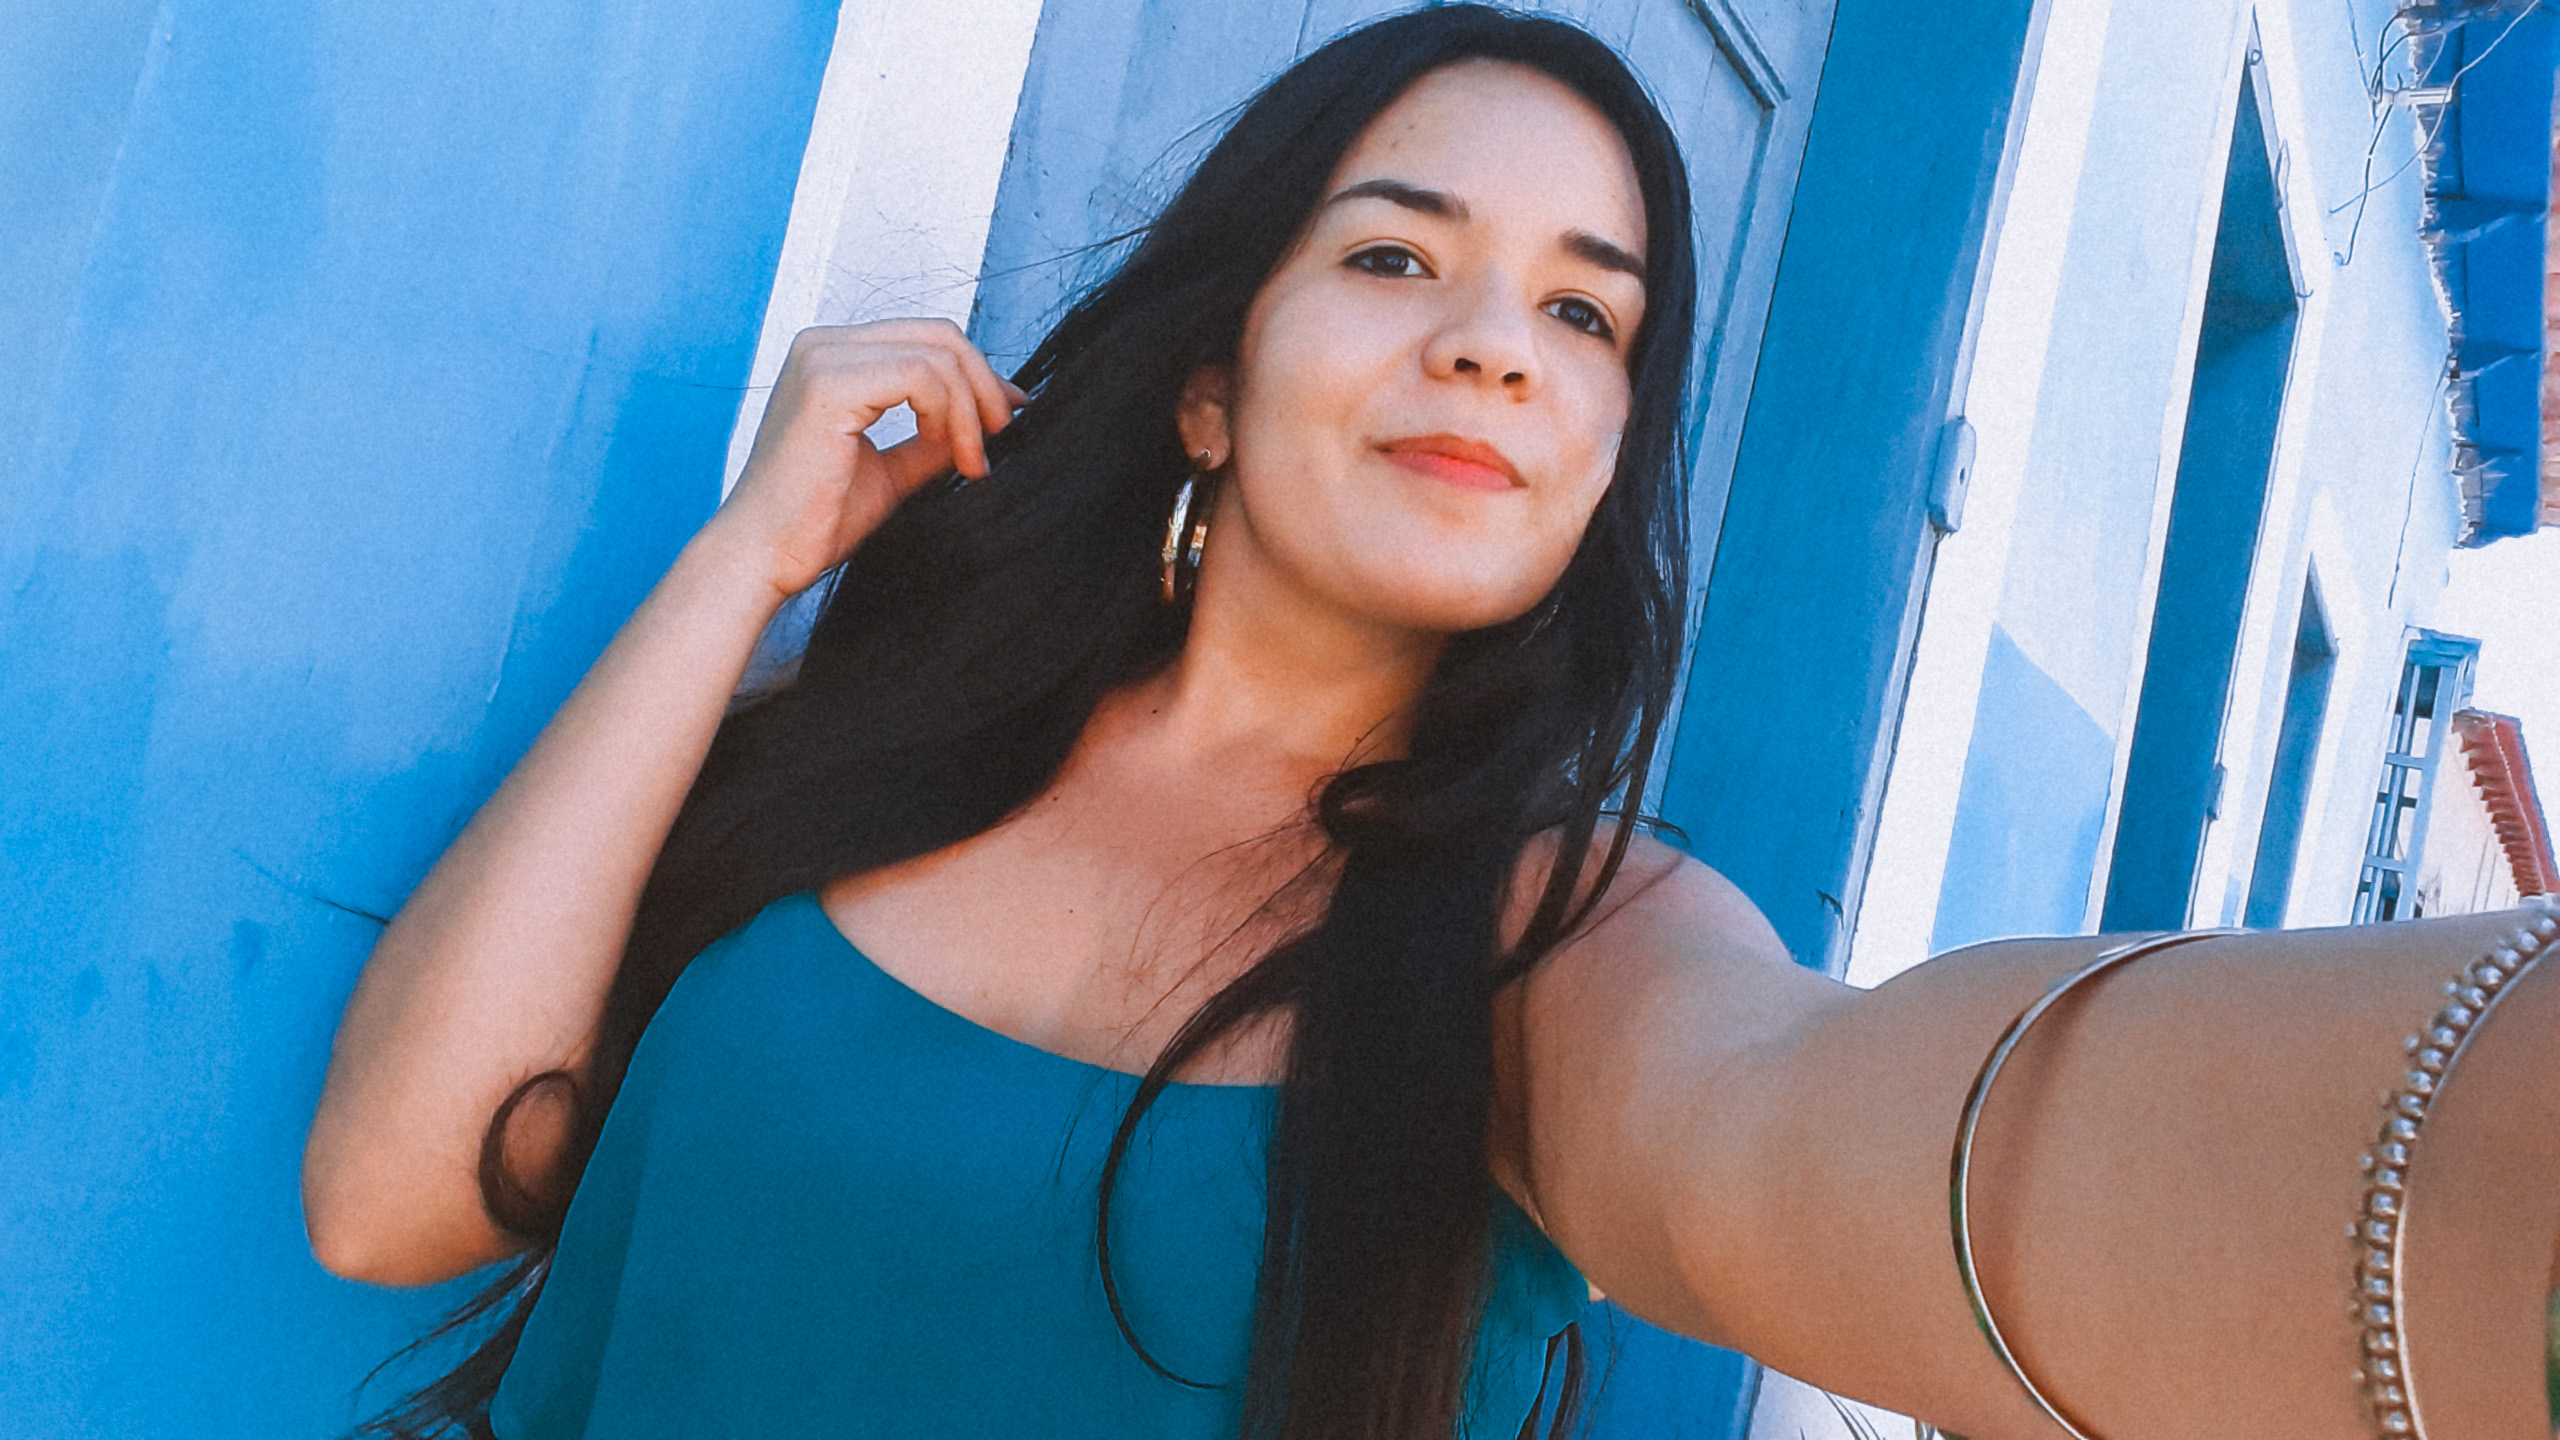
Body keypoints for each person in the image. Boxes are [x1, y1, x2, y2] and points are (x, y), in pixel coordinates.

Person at [300, 7, 2560, 1439]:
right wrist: (743, 565)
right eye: (1395, 256)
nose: (1492, 342)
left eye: (1587, 317)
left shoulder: (1563, 936)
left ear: (1603, 454)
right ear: (1212, 376)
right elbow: (396, 1197)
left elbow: (1795, 1133)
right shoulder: (879, 747)